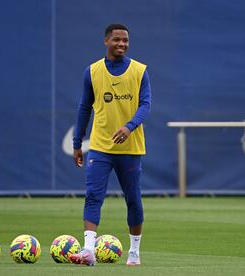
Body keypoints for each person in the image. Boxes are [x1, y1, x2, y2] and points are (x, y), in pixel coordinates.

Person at [70, 23, 151, 266]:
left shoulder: (139, 71)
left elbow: (146, 105)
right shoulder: (93, 72)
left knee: (133, 199)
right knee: (93, 195)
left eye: (125, 40)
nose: (122, 44)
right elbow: (84, 108)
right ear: (106, 41)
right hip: (101, 146)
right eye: (117, 40)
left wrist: (129, 126)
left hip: (130, 147)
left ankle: (134, 252)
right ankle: (88, 251)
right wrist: (77, 142)